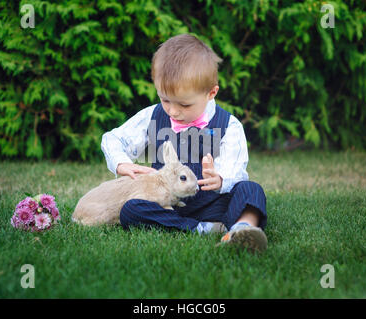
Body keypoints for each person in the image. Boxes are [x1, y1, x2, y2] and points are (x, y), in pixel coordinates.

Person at [101, 34, 267, 253]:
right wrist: (122, 163)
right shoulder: (152, 116)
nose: (173, 111)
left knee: (251, 190)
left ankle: (242, 228)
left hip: (212, 204)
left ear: (211, 93)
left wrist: (220, 178)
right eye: (165, 99)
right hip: (165, 204)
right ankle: (201, 229)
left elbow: (236, 170)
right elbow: (113, 138)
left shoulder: (229, 125)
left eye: (184, 104)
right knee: (131, 210)